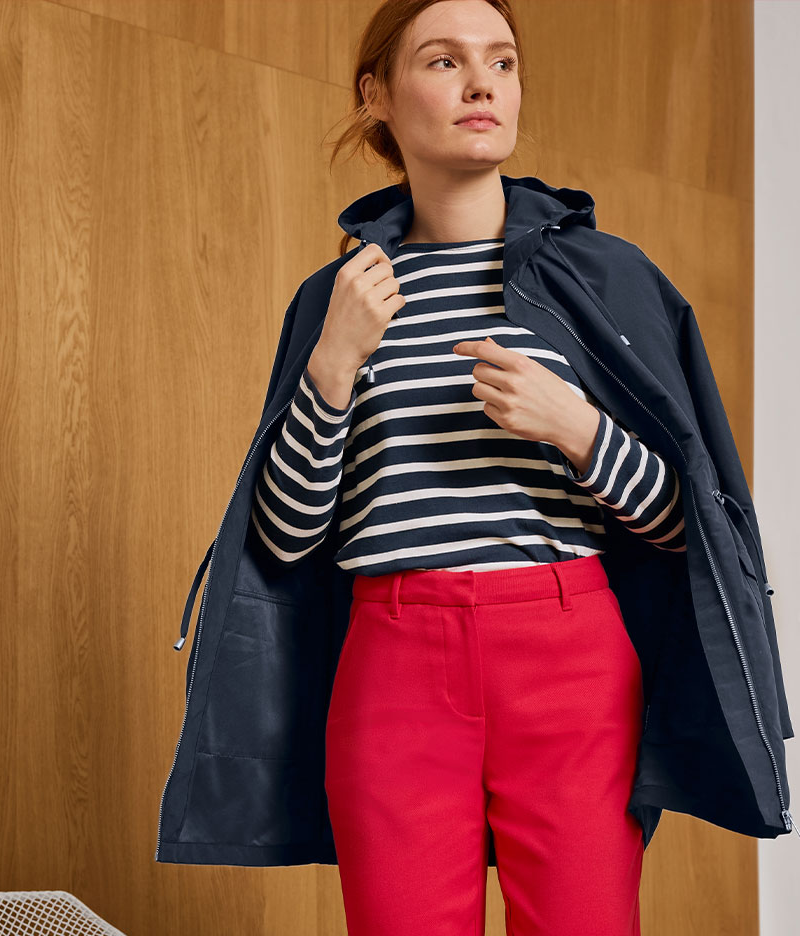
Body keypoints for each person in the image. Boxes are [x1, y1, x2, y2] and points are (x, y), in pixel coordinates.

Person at [248, 1, 681, 933]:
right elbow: (284, 538)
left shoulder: (600, 279)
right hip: (394, 656)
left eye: (503, 62)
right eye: (444, 61)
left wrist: (578, 430)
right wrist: (333, 365)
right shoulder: (341, 297)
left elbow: (687, 523)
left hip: (570, 652)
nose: (483, 83)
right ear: (376, 95)